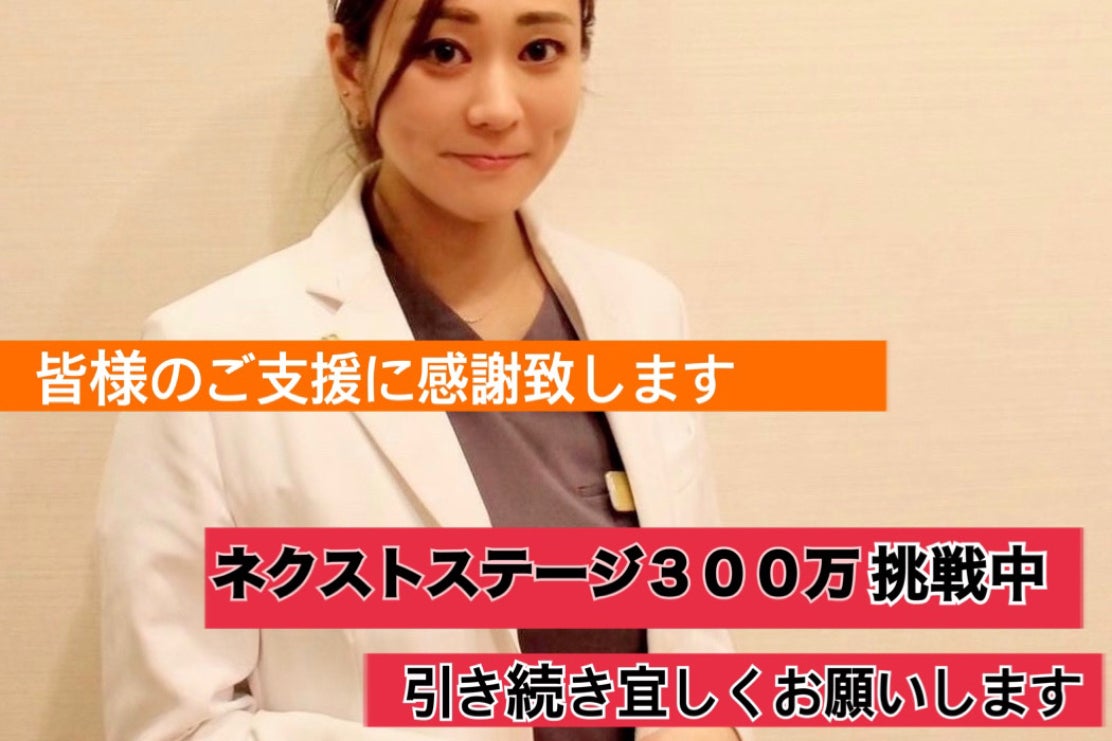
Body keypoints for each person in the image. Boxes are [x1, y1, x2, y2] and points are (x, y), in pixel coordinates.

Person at [97, 1, 744, 739]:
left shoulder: (644, 312)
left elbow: (696, 642)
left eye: (539, 51)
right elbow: (175, 727)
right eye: (443, 51)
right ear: (350, 67)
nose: (498, 108)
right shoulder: (203, 352)